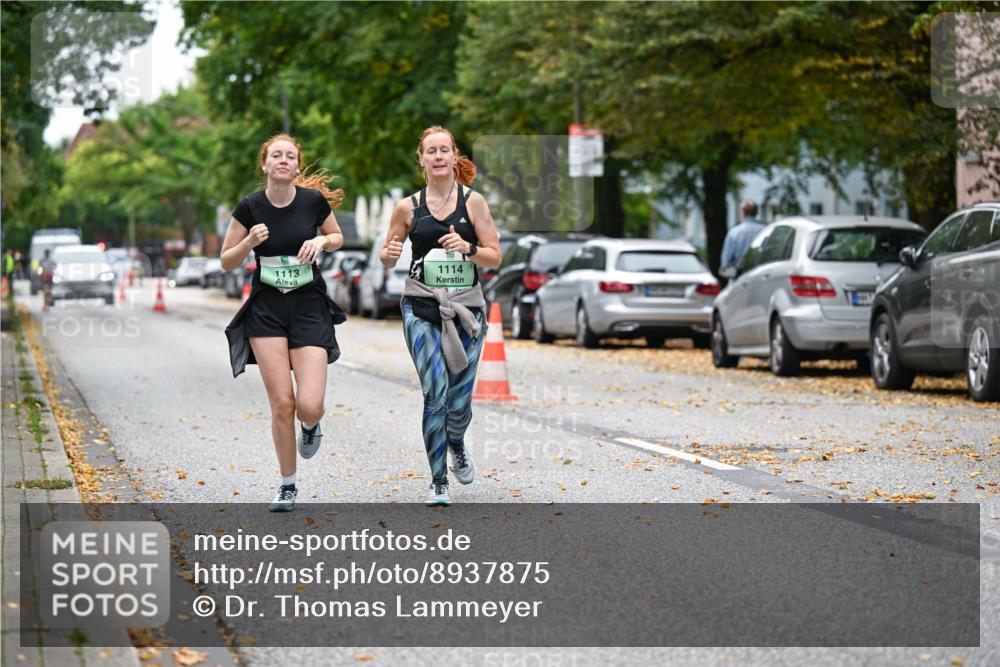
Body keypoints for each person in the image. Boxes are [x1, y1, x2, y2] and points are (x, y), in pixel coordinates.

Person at [221, 134, 347, 512]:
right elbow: (226, 259)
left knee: (309, 404)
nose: (282, 160)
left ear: (296, 166)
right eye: (275, 155)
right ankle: (287, 484)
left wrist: (322, 244)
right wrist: (248, 244)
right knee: (282, 403)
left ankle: (311, 426)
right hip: (267, 311)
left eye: (289, 156)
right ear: (265, 165)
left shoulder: (312, 201)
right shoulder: (250, 208)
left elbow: (337, 236)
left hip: (309, 306)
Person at [381, 126, 502, 506]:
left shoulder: (474, 203)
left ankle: (456, 442)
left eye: (444, 150)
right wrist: (389, 254)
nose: (437, 156)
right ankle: (438, 481)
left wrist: (468, 247)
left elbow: (495, 255)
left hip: (467, 309)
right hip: (421, 305)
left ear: (454, 156)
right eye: (430, 151)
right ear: (421, 158)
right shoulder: (407, 207)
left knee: (459, 402)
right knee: (435, 394)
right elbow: (388, 255)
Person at [720, 199, 765, 275]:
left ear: (743, 213)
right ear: (756, 213)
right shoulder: (765, 230)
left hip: (739, 276)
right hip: (760, 275)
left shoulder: (734, 232)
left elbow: (726, 261)